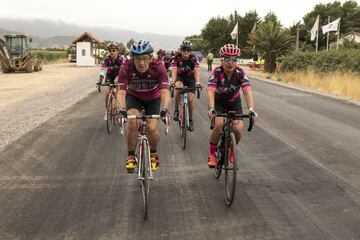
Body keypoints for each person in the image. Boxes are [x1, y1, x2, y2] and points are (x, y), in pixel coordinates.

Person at [116, 40, 170, 173]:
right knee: (132, 122)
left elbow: (164, 91)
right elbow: (122, 92)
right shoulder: (126, 67)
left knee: (152, 128)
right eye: (137, 59)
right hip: (134, 97)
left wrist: (165, 109)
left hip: (153, 98)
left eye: (145, 58)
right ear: (132, 58)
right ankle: (130, 155)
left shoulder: (159, 67)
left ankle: (153, 153)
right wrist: (122, 110)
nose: (141, 63)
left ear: (151, 58)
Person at [207, 44, 257, 168]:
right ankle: (212, 155)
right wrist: (211, 109)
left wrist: (251, 110)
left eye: (234, 59)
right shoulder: (216, 73)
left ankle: (231, 149)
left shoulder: (240, 72)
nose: (230, 63)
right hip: (218, 102)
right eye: (227, 59)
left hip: (234, 102)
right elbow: (210, 91)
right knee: (218, 124)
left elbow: (247, 91)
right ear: (222, 60)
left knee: (239, 129)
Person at [171, 40, 201, 131]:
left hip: (190, 78)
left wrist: (198, 82)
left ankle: (190, 119)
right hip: (180, 77)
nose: (186, 51)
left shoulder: (194, 59)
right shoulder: (176, 58)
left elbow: (196, 71)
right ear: (181, 50)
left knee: (191, 99)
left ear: (190, 51)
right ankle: (176, 109)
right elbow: (174, 70)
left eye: (188, 50)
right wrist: (173, 82)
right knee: (179, 88)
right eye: (184, 49)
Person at [98, 42, 124, 120]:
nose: (112, 52)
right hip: (109, 76)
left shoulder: (121, 59)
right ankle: (107, 111)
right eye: (110, 51)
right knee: (106, 93)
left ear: (117, 51)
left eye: (113, 50)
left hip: (118, 76)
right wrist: (101, 79)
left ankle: (117, 107)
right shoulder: (106, 59)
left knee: (117, 85)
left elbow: (125, 70)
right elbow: (103, 70)